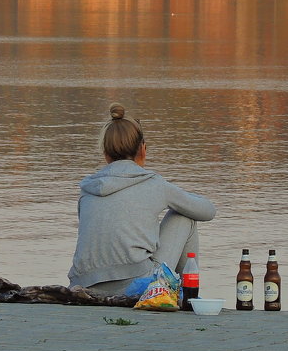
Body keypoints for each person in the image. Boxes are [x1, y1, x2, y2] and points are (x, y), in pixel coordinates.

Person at [68, 103, 216, 296]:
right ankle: (186, 297)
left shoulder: (88, 188)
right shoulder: (154, 183)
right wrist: (181, 198)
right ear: (143, 149)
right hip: (136, 285)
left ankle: (181, 295)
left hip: (84, 286)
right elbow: (208, 211)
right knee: (184, 217)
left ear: (105, 153)